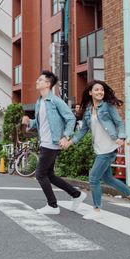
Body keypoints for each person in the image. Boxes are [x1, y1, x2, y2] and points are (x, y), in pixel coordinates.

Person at [64, 80, 130, 220]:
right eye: (96, 90)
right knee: (107, 178)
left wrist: (121, 137)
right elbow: (83, 130)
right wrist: (71, 142)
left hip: (108, 147)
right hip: (99, 148)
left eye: (101, 90)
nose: (100, 92)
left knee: (93, 178)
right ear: (90, 92)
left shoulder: (107, 106)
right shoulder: (88, 110)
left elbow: (119, 122)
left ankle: (97, 210)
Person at [22, 70, 87, 214]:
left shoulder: (55, 100)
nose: (37, 81)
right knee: (49, 175)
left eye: (40, 80)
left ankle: (52, 205)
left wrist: (65, 136)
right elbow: (41, 123)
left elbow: (70, 118)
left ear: (48, 83)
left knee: (40, 174)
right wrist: (29, 122)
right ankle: (76, 194)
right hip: (45, 141)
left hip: (52, 143)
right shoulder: (40, 102)